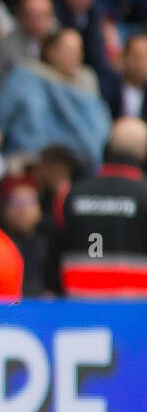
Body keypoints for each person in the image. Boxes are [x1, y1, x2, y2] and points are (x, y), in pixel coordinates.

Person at [55, 117, 147, 296]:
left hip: (77, 309)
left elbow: (54, 254)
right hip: (136, 313)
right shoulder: (144, 194)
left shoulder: (70, 194)